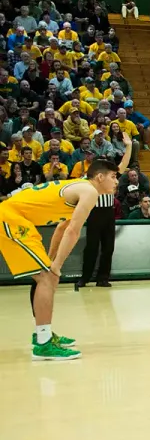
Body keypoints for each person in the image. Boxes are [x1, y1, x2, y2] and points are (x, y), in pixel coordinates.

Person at [0, 161, 120, 360]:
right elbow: (73, 232)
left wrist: (52, 260)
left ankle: (43, 334)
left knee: (48, 277)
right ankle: (43, 344)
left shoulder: (79, 188)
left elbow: (61, 229)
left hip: (17, 219)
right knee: (47, 279)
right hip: (9, 218)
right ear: (100, 177)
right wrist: (55, 267)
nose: (117, 181)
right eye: (114, 177)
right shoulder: (89, 192)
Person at [76, 135, 134, 290]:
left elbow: (124, 164)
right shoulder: (86, 180)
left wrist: (128, 146)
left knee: (108, 248)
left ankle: (103, 278)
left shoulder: (110, 177)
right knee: (91, 247)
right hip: (94, 214)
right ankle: (85, 277)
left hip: (109, 213)